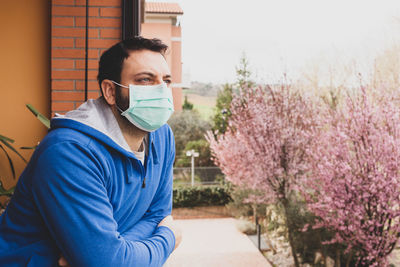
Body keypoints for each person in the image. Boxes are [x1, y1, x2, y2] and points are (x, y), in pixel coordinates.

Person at [0, 36, 182, 266]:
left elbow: (157, 216)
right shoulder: (69, 153)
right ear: (110, 91)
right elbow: (111, 261)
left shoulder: (162, 138)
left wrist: (109, 250)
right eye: (145, 80)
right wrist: (169, 237)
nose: (160, 90)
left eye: (166, 80)